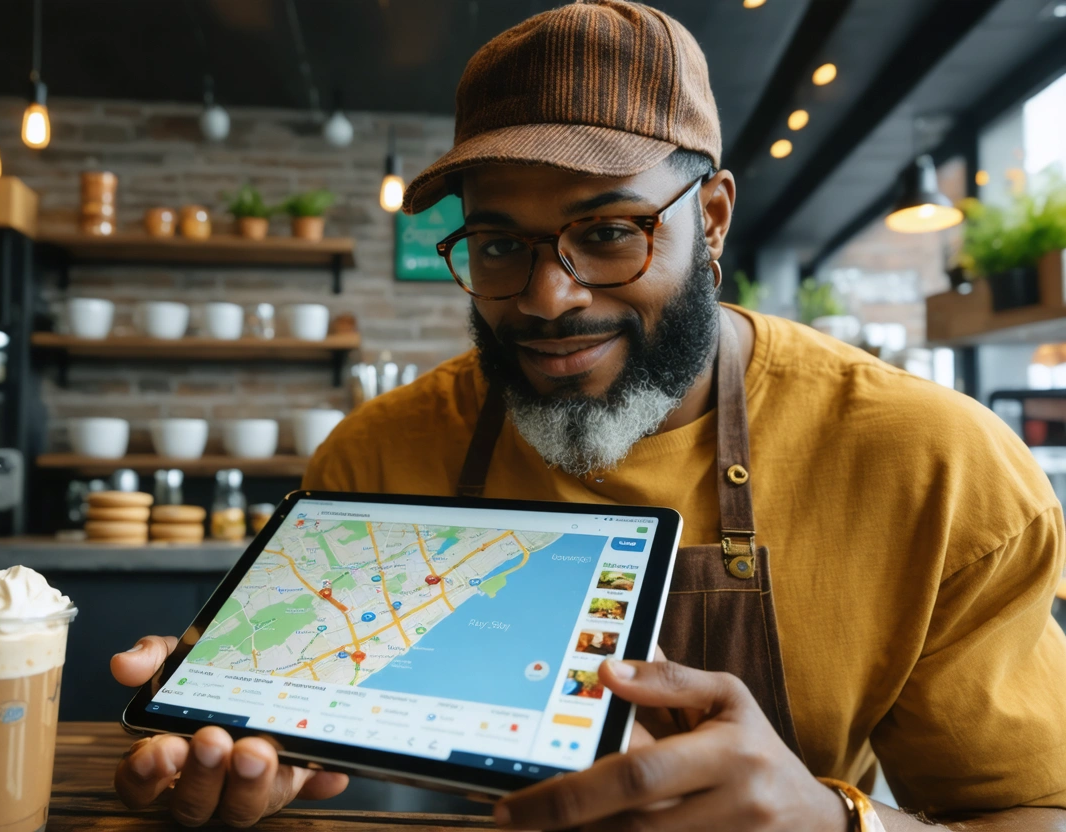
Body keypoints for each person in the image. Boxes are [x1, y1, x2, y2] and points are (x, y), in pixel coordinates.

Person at [111, 1, 1066, 829]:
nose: (547, 297)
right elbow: (300, 736)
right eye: (497, 245)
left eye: (609, 232)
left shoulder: (930, 465)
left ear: (716, 217)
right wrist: (248, 743)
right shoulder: (381, 452)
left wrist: (833, 821)